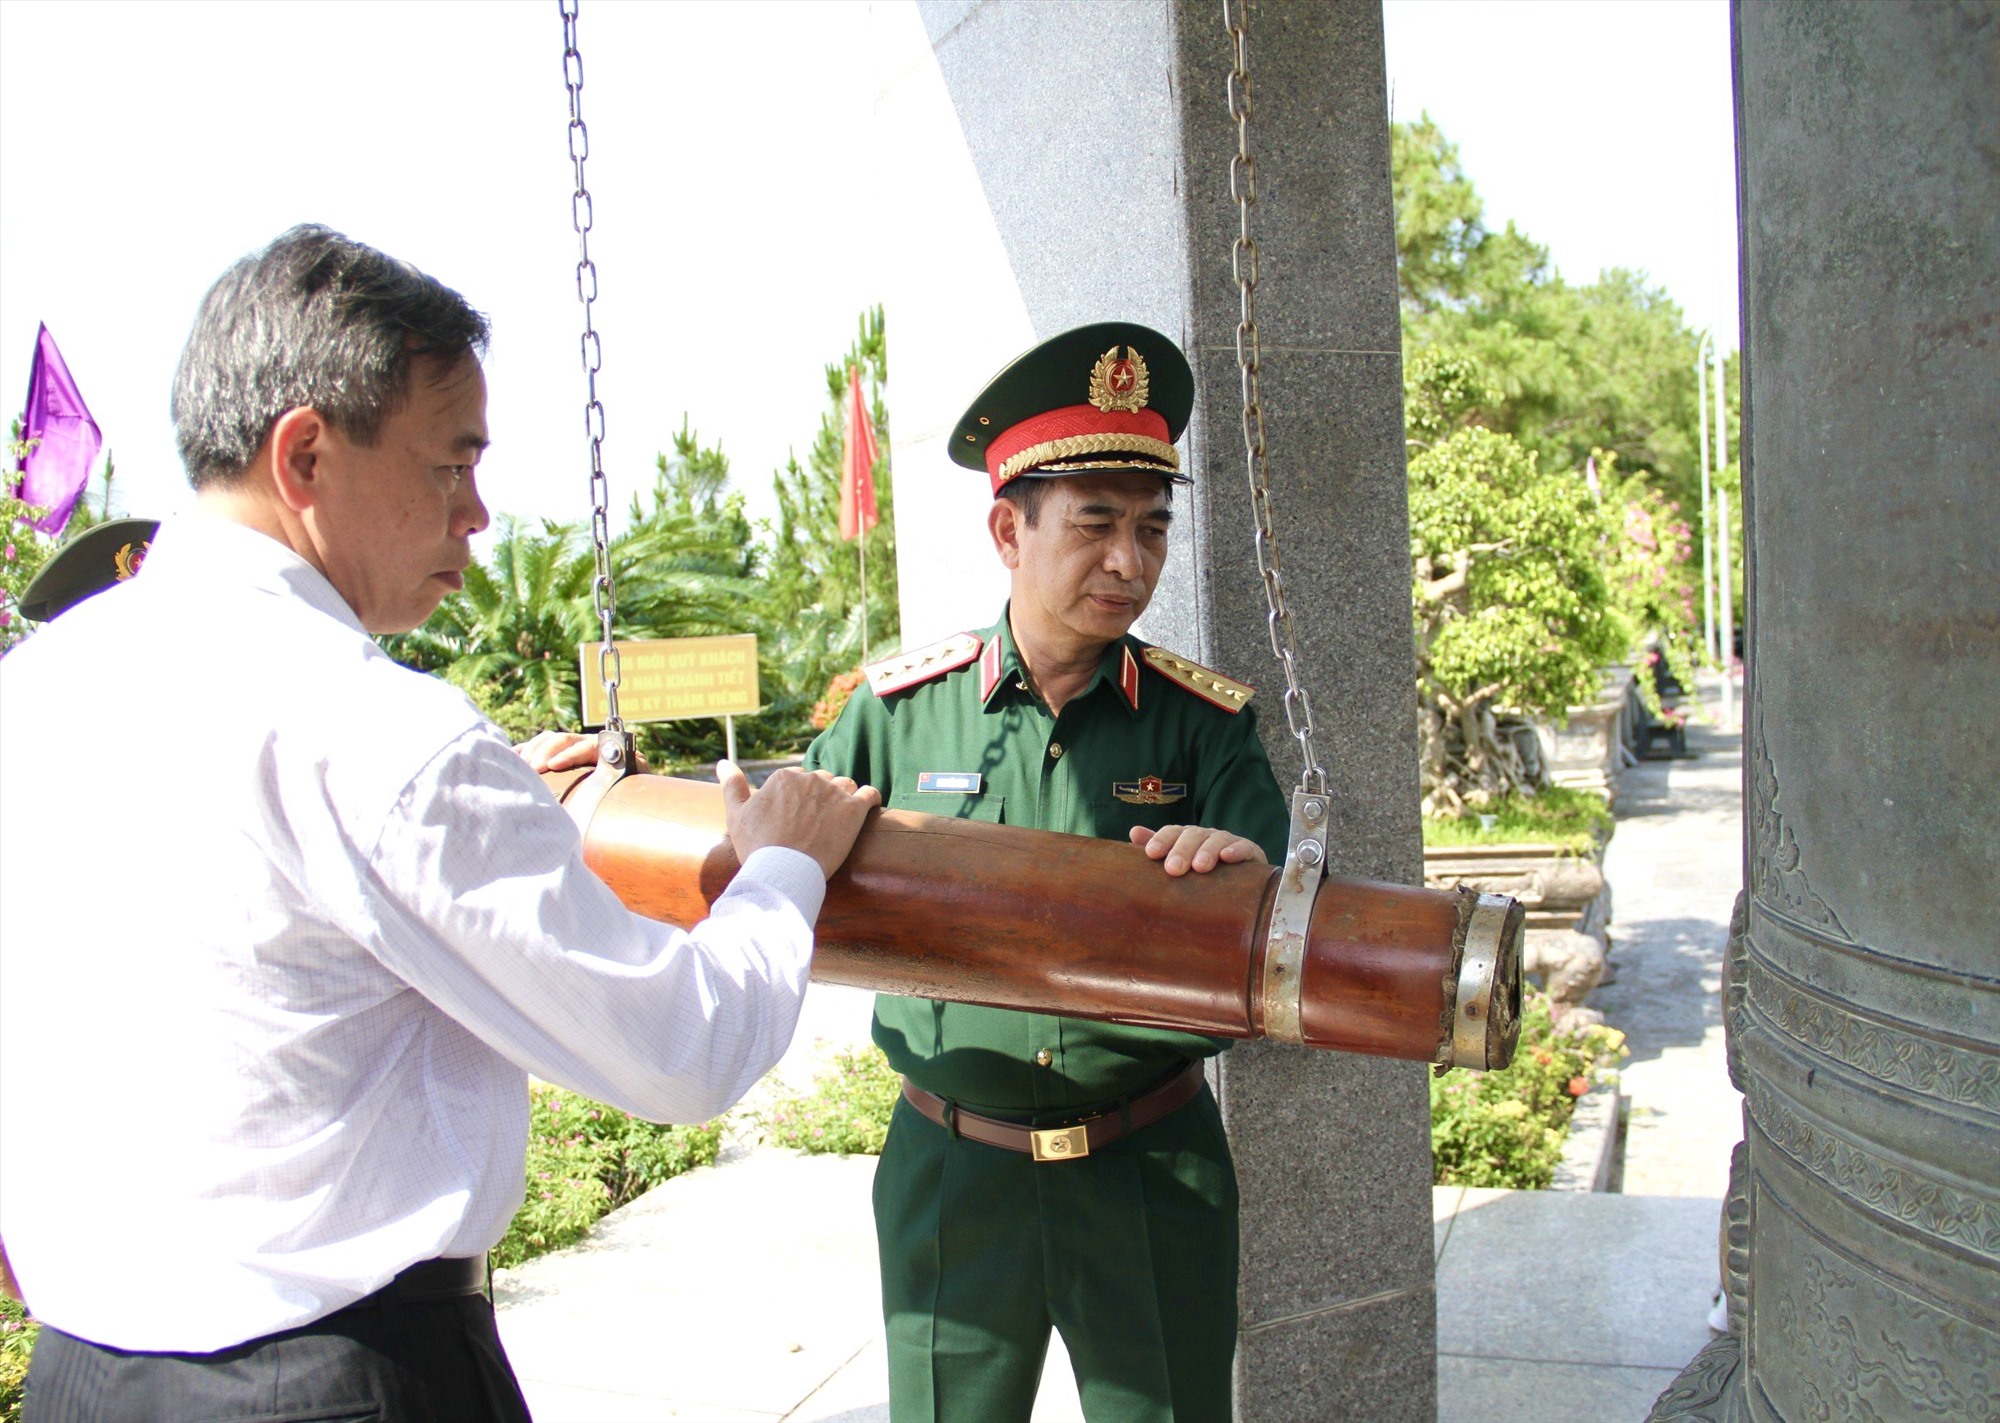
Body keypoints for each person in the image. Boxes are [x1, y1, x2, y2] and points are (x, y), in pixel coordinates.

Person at [0, 225, 880, 1421]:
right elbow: (681, 1048)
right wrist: (781, 867)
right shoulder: (372, 730)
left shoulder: (44, 678)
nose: (476, 513)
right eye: (447, 464)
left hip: (82, 1374)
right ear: (305, 452)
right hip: (327, 1383)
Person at [803, 322, 1289, 1422]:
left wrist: (1241, 883)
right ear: (1006, 531)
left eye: (1151, 529)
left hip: (1150, 1168)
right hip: (948, 1172)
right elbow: (764, 868)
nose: (1130, 561)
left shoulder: (1205, 729)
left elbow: (1276, 925)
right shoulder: (888, 718)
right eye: (1096, 525)